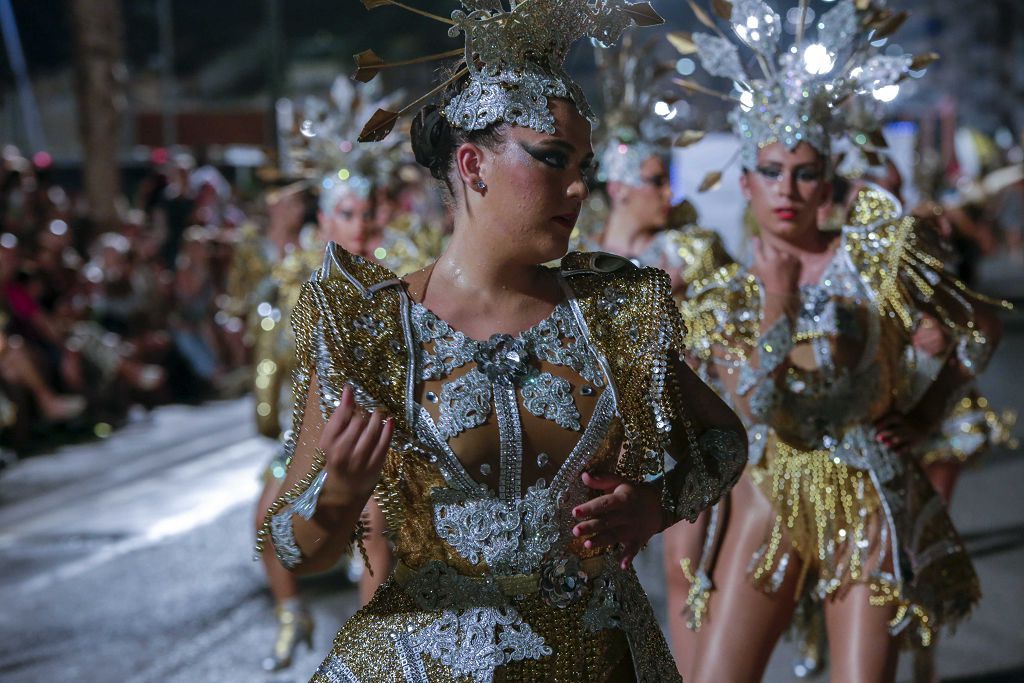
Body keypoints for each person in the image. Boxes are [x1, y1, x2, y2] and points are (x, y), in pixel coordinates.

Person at [256, 1, 747, 680]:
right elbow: (291, 544)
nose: (578, 186)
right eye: (552, 158)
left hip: (597, 661)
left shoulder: (612, 309)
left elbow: (722, 439)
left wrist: (652, 506)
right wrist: (337, 496)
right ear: (472, 164)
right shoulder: (373, 327)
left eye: (584, 163)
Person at [668, 2, 1008, 680]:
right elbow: (760, 405)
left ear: (830, 178)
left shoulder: (880, 260)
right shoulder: (726, 293)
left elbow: (979, 325)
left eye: (805, 171)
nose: (787, 189)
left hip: (866, 491)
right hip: (770, 494)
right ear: (744, 181)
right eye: (770, 171)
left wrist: (924, 414)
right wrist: (778, 304)